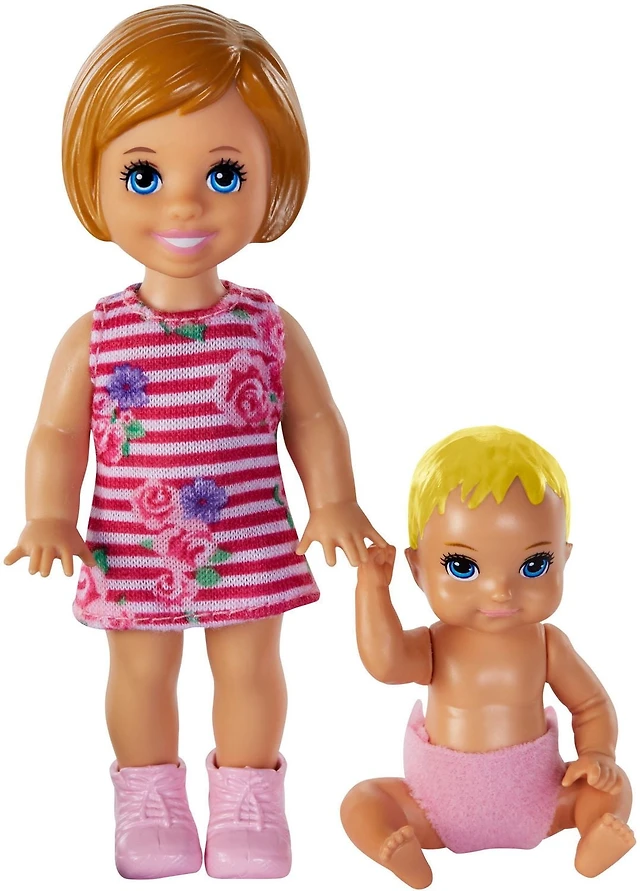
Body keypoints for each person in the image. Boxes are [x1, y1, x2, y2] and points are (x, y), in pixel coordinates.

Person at [4, 5, 385, 880]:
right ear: (93, 180)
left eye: (223, 172)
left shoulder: (267, 325)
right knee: (140, 672)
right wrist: (48, 515)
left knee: (250, 668)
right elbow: (57, 431)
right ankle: (148, 795)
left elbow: (314, 417)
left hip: (246, 533)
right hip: (132, 541)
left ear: (271, 179)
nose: (183, 200)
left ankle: (249, 795)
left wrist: (333, 499)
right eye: (142, 174)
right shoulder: (97, 335)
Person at [341, 425, 634, 888]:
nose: (500, 590)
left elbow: (592, 705)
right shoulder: (436, 644)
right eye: (463, 567)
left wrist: (598, 755)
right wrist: (372, 589)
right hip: (435, 806)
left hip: (544, 798)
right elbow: (386, 662)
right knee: (363, 801)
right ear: (418, 569)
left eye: (534, 565)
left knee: (612, 787)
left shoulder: (548, 644)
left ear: (563, 558)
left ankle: (594, 832)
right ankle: (397, 851)